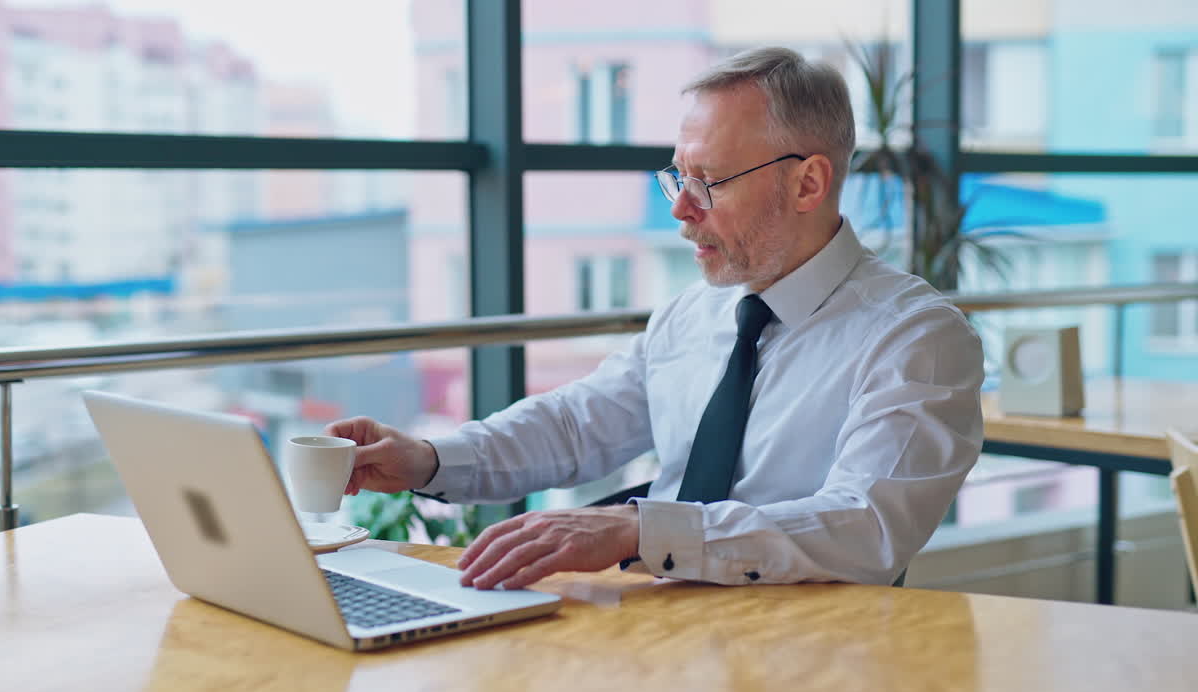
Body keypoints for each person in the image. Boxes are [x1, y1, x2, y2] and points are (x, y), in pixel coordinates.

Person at [326, 46, 983, 591]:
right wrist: (428, 459)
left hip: (817, 657)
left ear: (808, 184)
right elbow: (577, 424)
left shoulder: (915, 337)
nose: (681, 209)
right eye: (679, 177)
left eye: (711, 181)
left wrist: (638, 529)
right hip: (660, 629)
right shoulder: (692, 315)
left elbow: (864, 524)